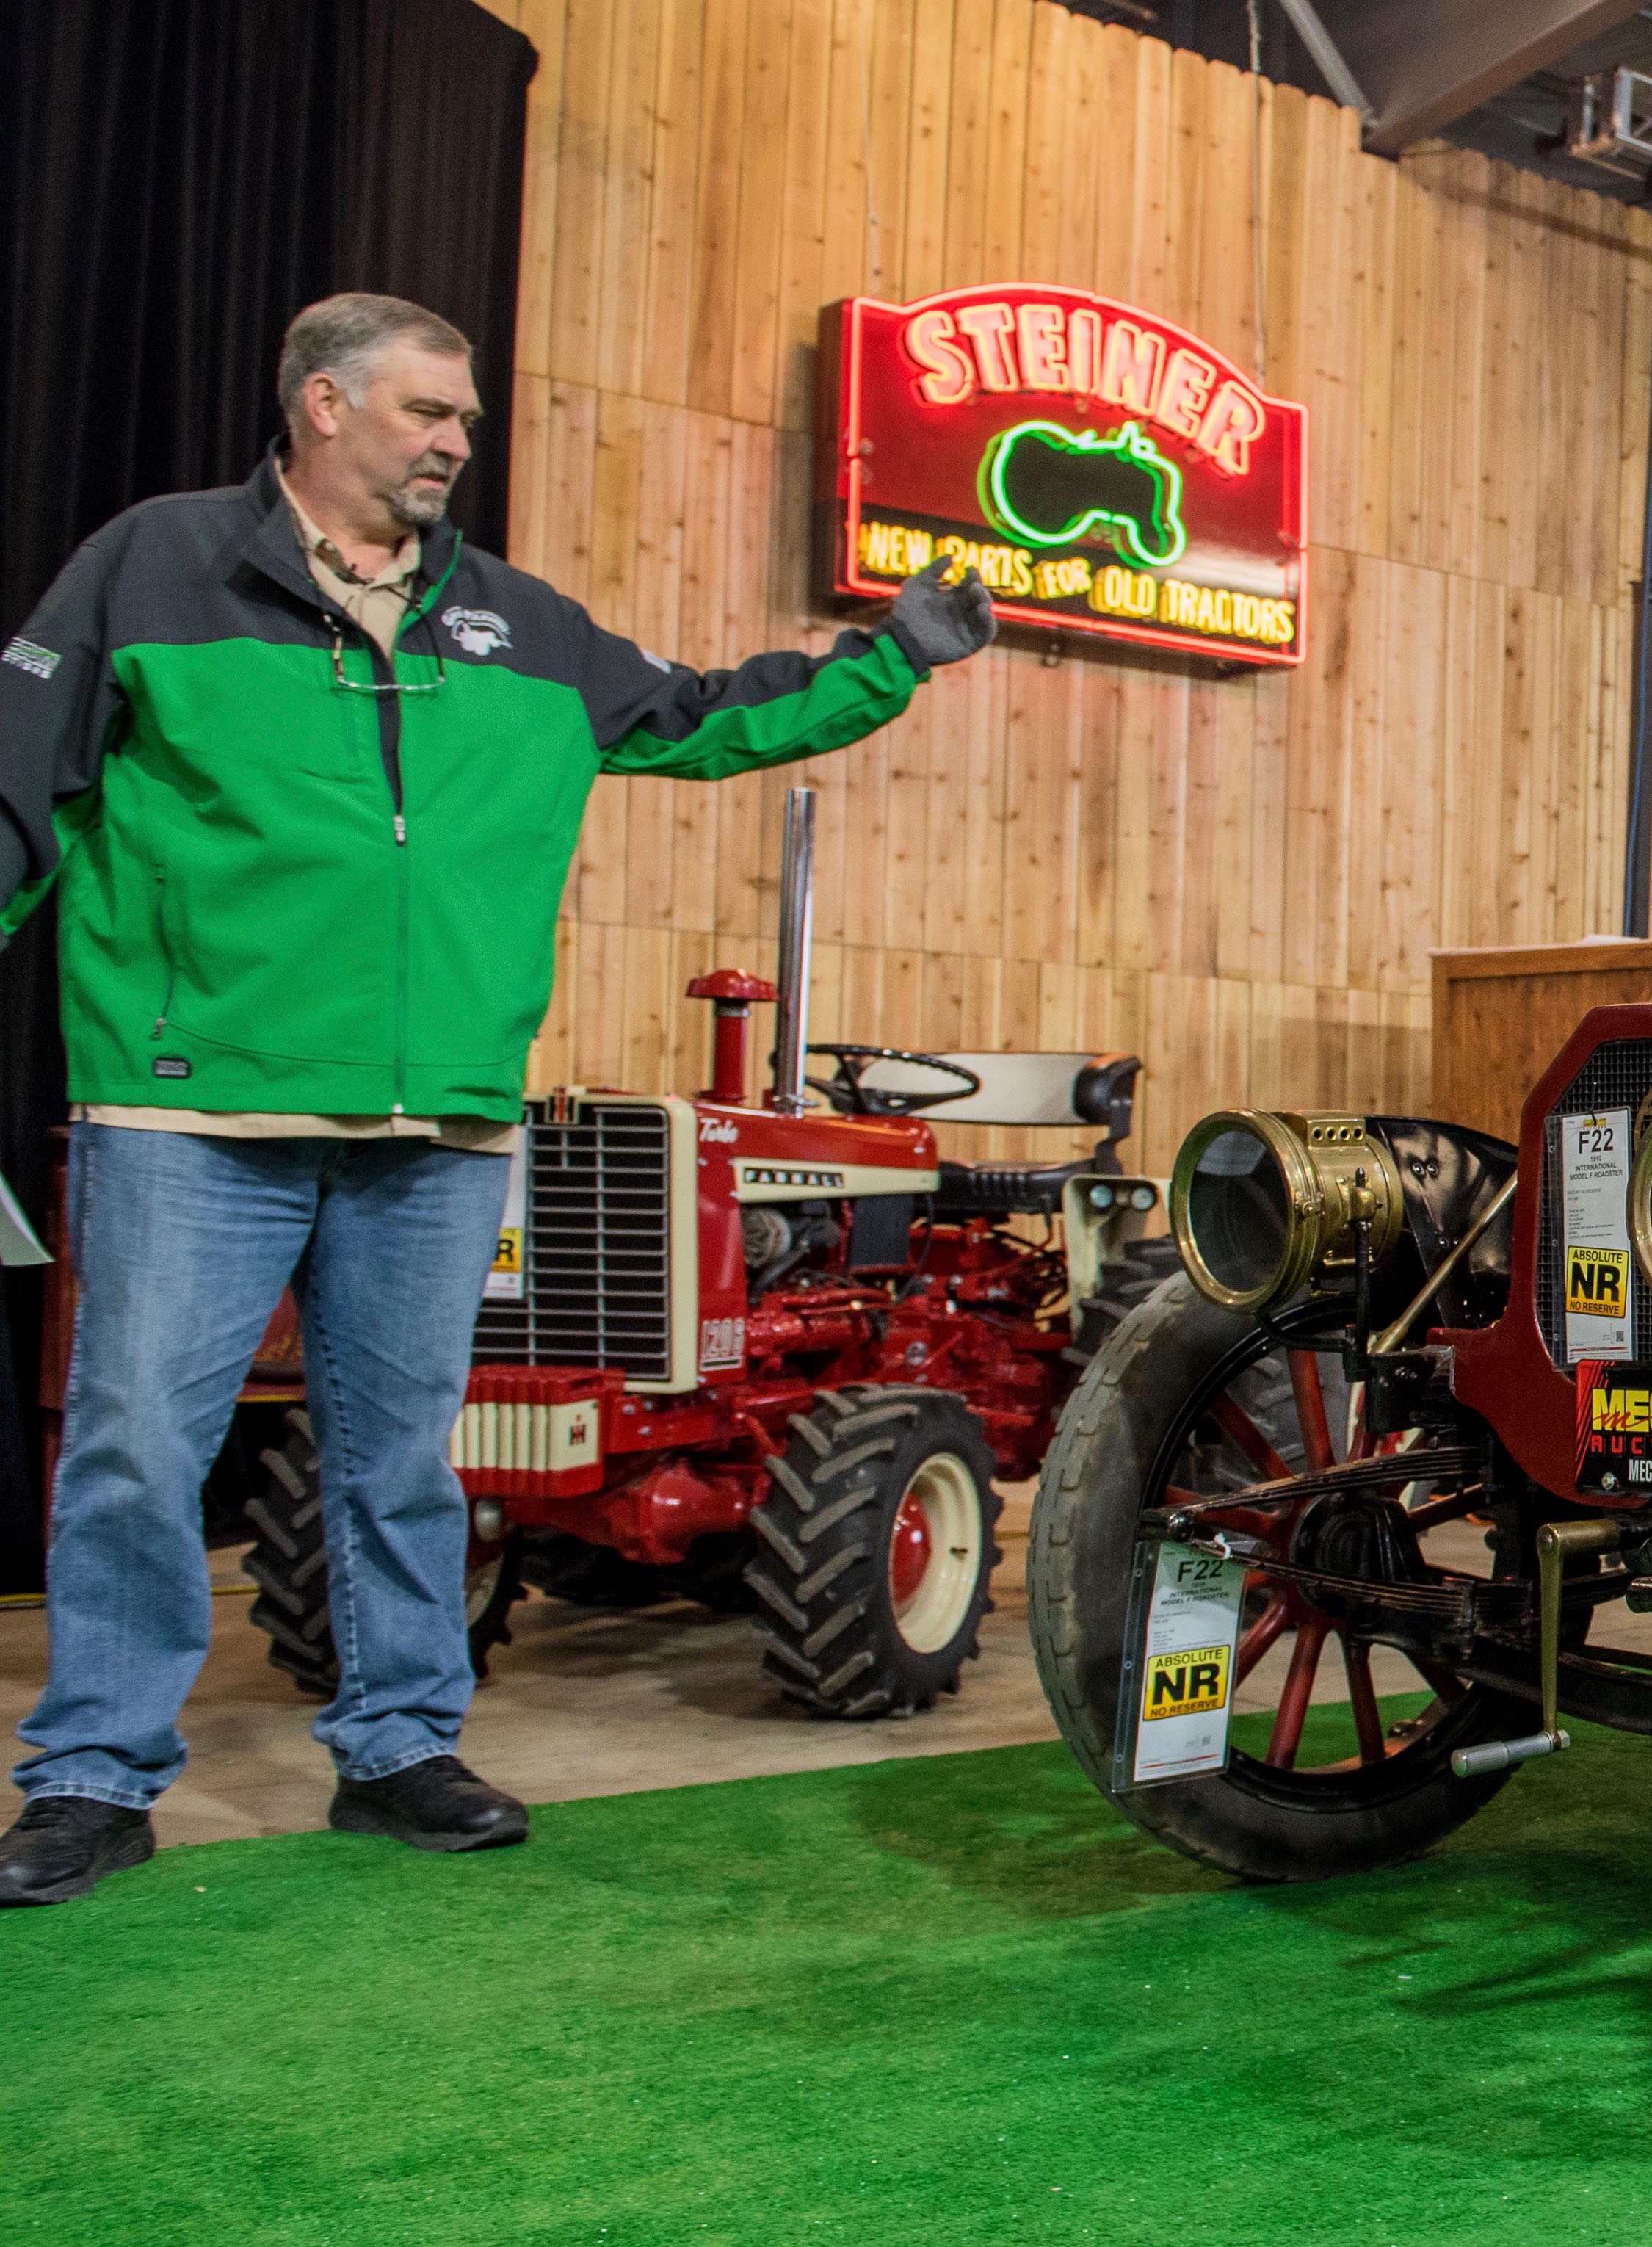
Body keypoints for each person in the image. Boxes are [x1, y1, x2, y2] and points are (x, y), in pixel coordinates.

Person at [0, 294, 997, 1908]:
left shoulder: (515, 623)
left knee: (406, 1458)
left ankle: (399, 1746)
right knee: (133, 1451)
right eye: (424, 411)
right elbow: (15, 789)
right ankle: (92, 1780)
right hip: (194, 1113)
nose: (456, 441)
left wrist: (887, 661)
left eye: (463, 416)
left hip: (444, 1125)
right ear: (323, 404)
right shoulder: (153, 568)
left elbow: (702, 715)